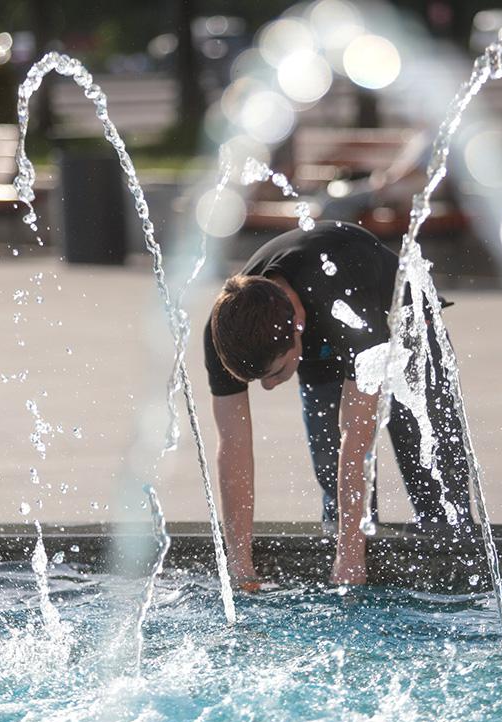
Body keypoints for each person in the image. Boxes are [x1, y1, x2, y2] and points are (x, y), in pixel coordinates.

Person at [203, 221, 476, 586]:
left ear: (298, 326)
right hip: (326, 345)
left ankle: (458, 581)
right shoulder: (226, 330)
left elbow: (357, 441)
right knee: (333, 476)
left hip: (404, 329)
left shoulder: (344, 305)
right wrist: (239, 564)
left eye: (276, 372)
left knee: (434, 478)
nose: (268, 387)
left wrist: (349, 558)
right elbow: (233, 448)